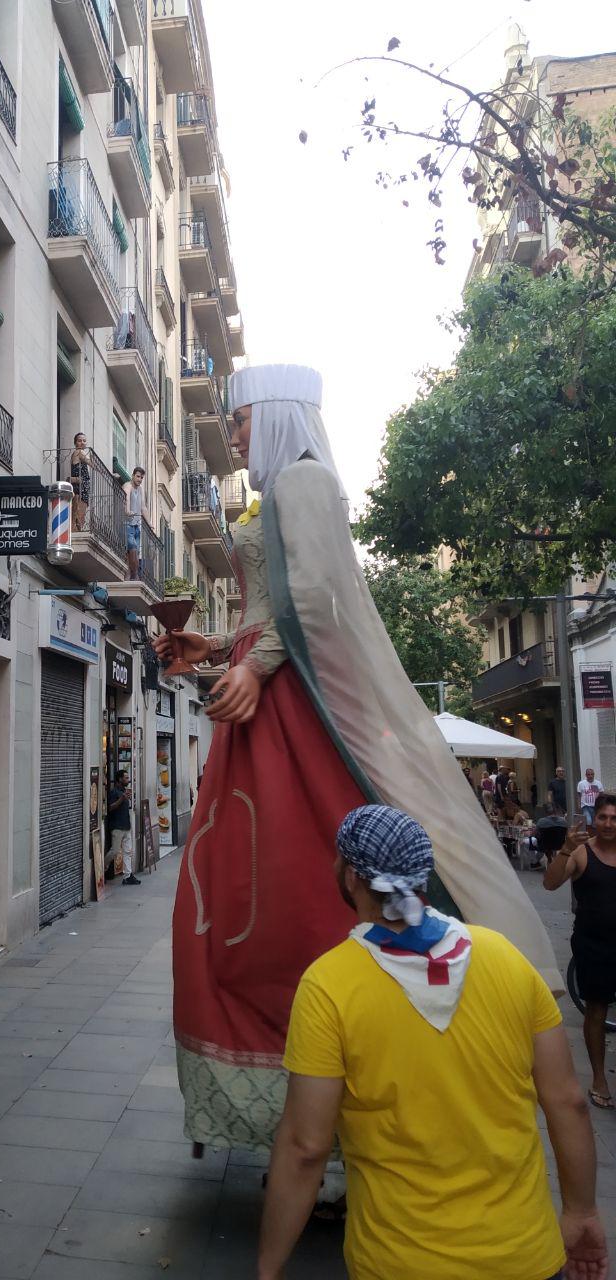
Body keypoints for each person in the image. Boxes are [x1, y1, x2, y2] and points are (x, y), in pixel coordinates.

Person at [151, 364, 557, 1156]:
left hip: (288, 711)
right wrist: (216, 646)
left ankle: (333, 1109)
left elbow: (312, 604)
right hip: (268, 700)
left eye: (241, 420)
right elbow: (274, 609)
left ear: (275, 416)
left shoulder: (303, 483)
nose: (234, 437)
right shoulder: (285, 492)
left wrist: (253, 665)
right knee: (244, 894)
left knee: (286, 893)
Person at [258, 805, 607, 1280]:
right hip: (525, 1255)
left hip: (399, 1262)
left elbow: (305, 1145)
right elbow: (568, 1102)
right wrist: (582, 1213)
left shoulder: (328, 986)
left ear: (353, 876)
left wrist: (269, 1267)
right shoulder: (506, 958)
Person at [543, 792, 616, 1109]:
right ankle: (599, 1078)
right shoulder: (581, 852)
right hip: (593, 944)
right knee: (596, 1011)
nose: (608, 824)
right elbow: (550, 884)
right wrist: (565, 849)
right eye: (603, 817)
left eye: (614, 818)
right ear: (593, 819)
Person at [108, 769, 140, 886]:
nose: (128, 780)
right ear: (119, 779)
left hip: (126, 825)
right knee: (115, 851)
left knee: (128, 851)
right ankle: (102, 867)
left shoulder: (124, 791)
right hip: (117, 826)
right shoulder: (114, 792)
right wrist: (122, 799)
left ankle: (127, 876)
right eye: (126, 778)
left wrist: (128, 798)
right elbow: (110, 807)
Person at [124, 466, 146, 579]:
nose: (139, 479)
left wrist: (150, 524)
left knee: (134, 552)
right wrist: (127, 511)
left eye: (141, 477)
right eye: (138, 476)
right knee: (132, 549)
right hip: (127, 524)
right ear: (133, 476)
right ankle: (135, 575)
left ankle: (129, 574)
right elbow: (126, 498)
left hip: (137, 526)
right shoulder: (128, 486)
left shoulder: (140, 489)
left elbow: (143, 507)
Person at [68, 432, 91, 533]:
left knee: (78, 516)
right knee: (78, 516)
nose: (82, 443)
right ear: (75, 443)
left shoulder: (76, 454)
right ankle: (74, 532)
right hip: (80, 488)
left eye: (84, 441)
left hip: (81, 487)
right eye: (79, 440)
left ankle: (75, 531)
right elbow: (92, 463)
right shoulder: (79, 452)